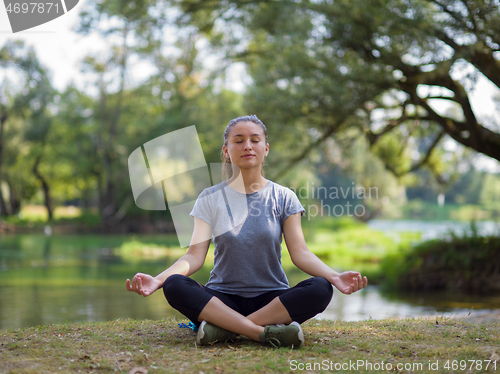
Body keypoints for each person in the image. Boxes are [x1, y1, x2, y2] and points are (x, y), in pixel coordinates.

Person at [126, 115, 368, 349]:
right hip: (220, 300)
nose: (247, 146)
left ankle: (224, 329)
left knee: (320, 288)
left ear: (266, 148)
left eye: (255, 140)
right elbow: (194, 256)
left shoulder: (284, 197)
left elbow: (300, 253)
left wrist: (334, 277)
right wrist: (158, 280)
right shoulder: (210, 198)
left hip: (272, 300)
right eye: (238, 140)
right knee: (175, 285)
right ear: (226, 150)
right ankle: (260, 333)